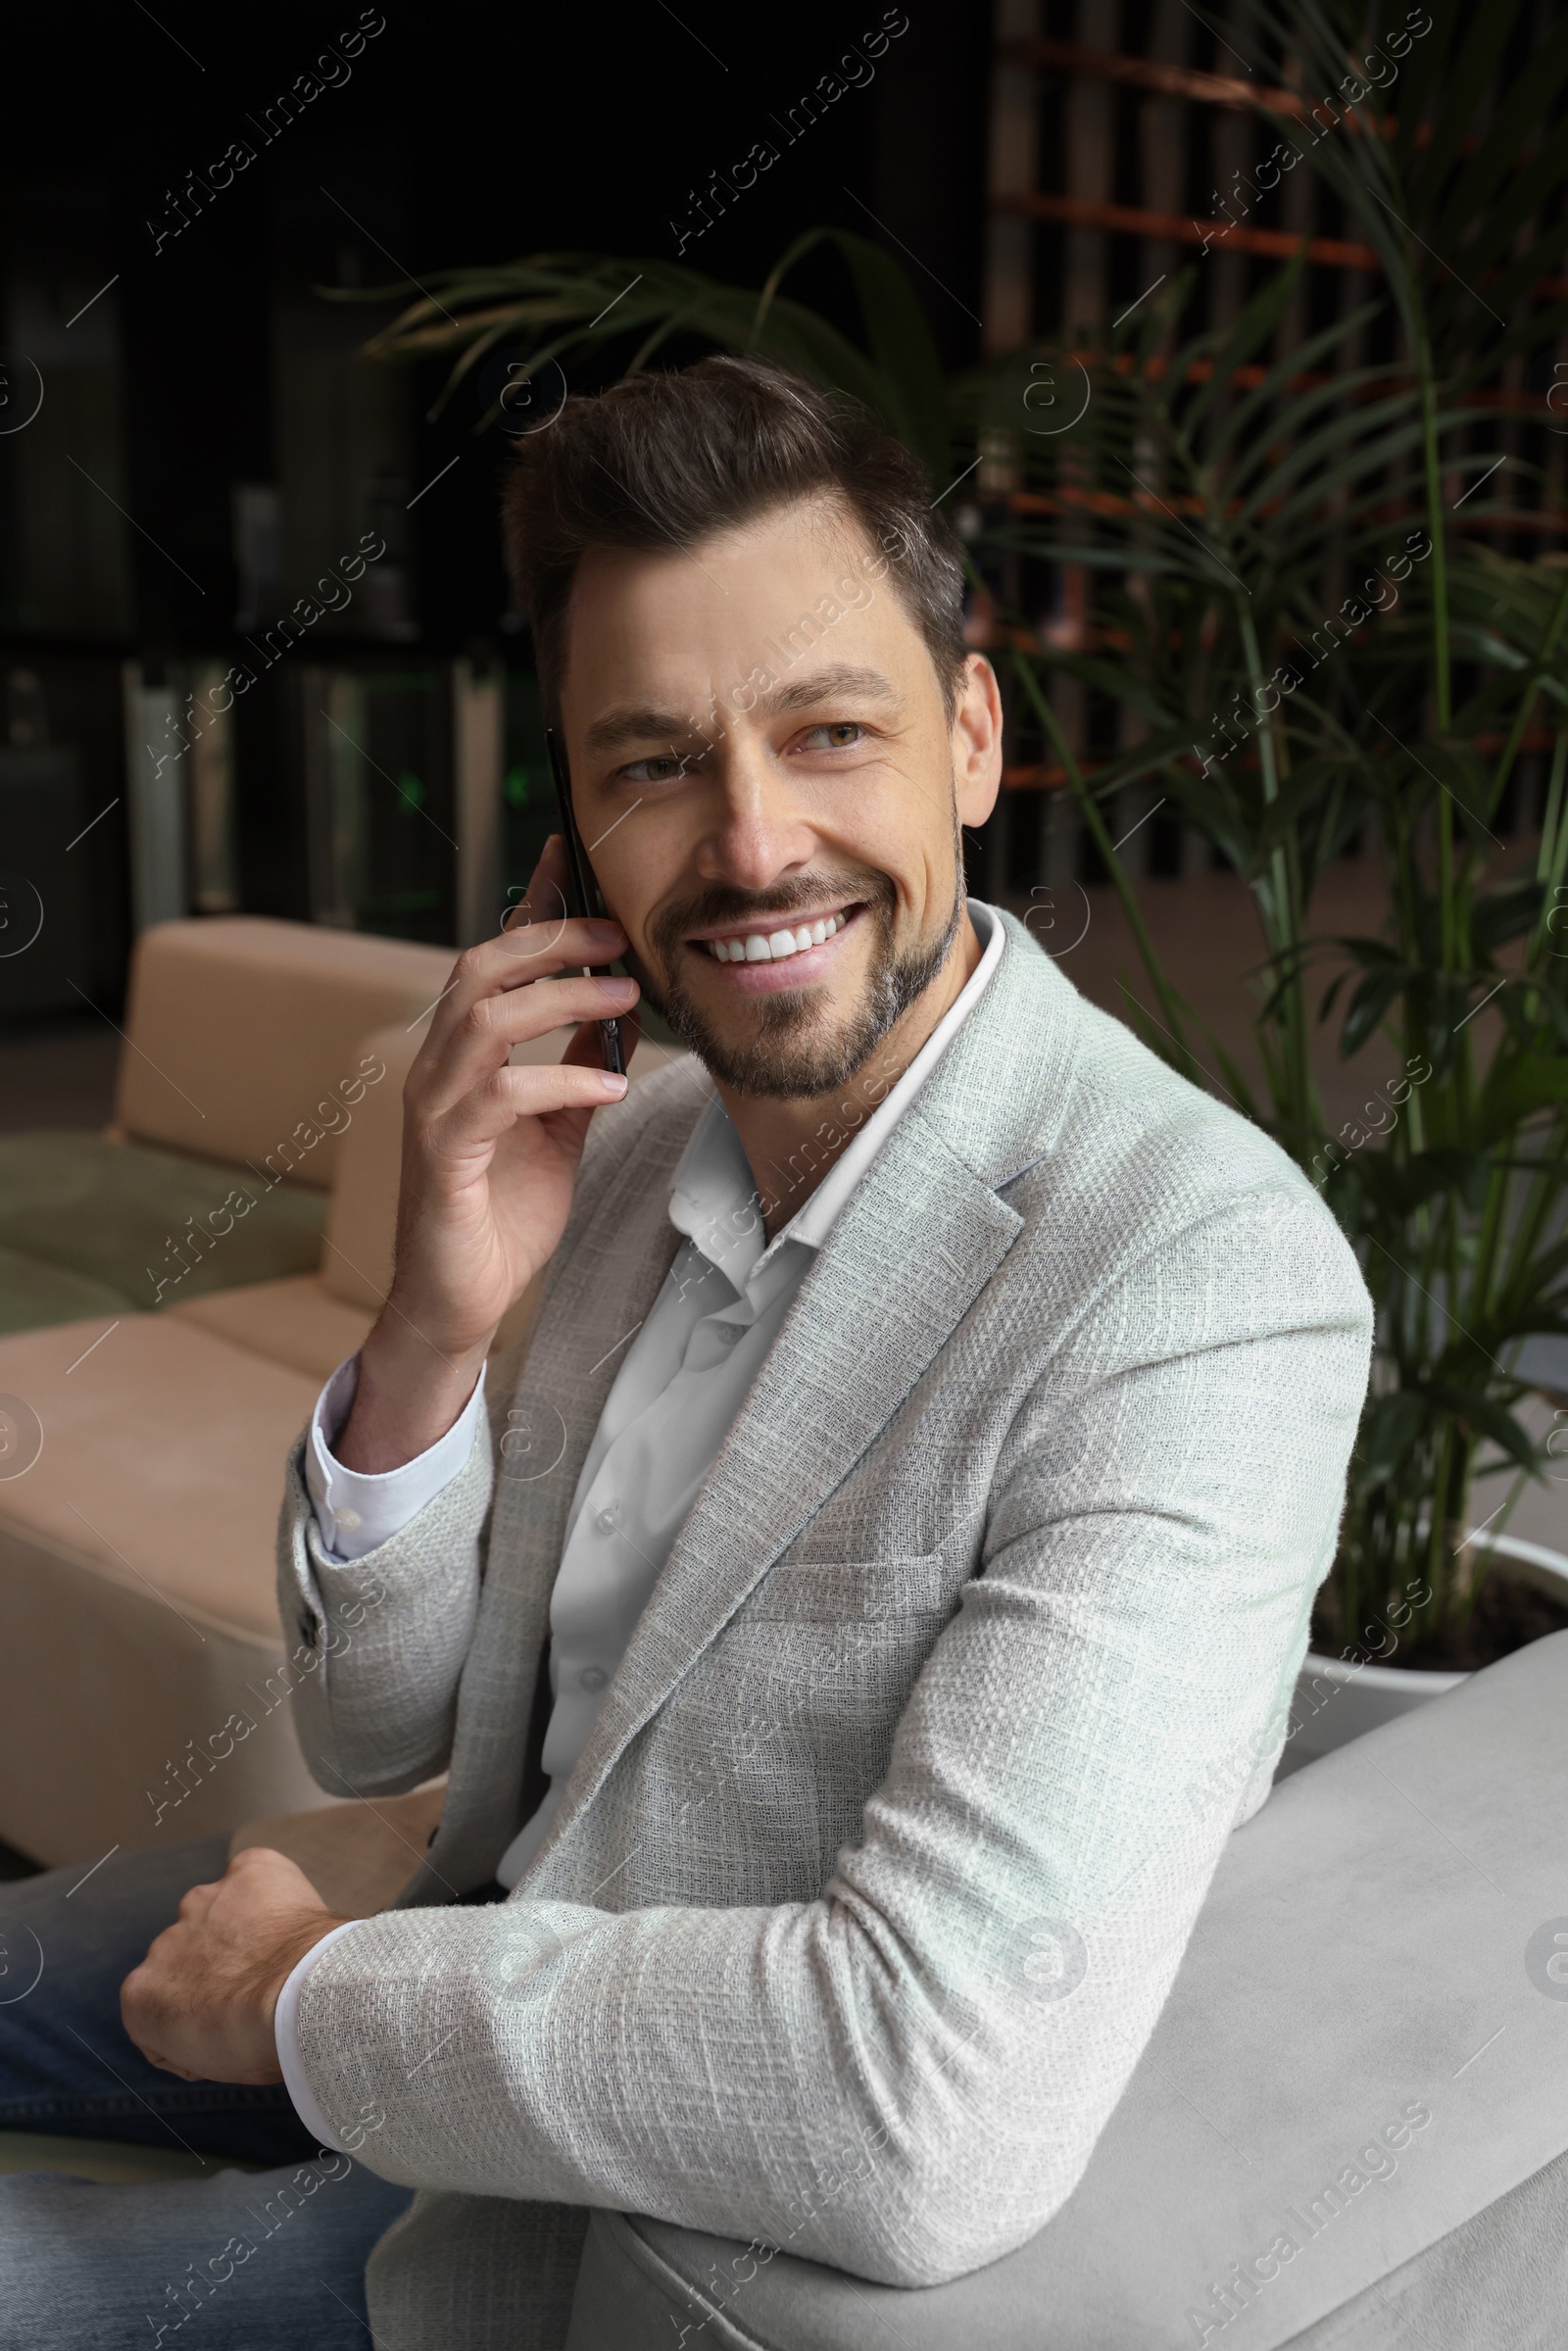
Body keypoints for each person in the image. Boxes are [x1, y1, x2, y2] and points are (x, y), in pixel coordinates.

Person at [0, 358, 1373, 2349]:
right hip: (442, 1906)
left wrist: (297, 2004)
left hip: (607, 2186)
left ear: (970, 736)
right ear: (571, 822)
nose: (747, 847)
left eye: (828, 733)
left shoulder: (1194, 1279)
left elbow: (923, 2104)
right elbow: (384, 1735)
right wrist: (434, 1320)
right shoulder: (629, 1143)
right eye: (650, 763)